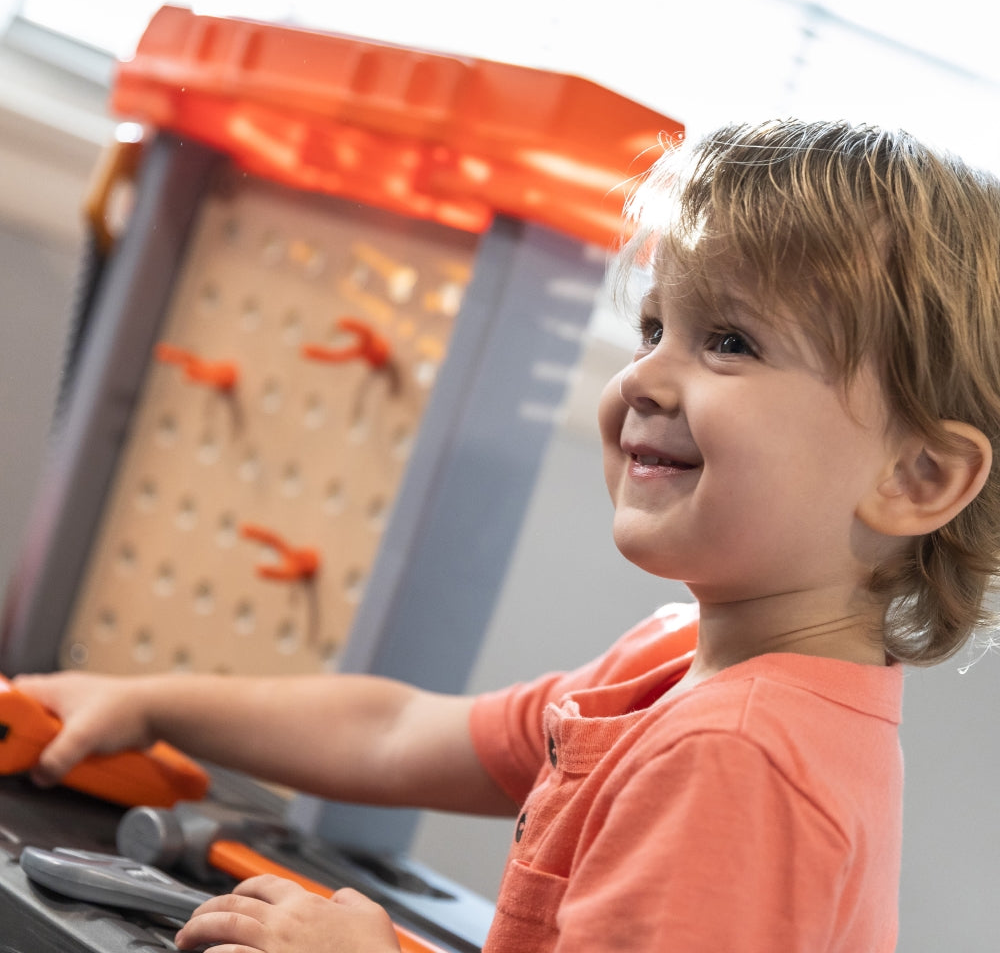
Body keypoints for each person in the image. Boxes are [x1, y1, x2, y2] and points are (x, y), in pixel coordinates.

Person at [13, 118, 1000, 952]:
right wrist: (146, 701)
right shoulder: (672, 664)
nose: (646, 378)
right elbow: (401, 733)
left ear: (917, 478)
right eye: (654, 327)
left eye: (730, 342)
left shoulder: (738, 759)